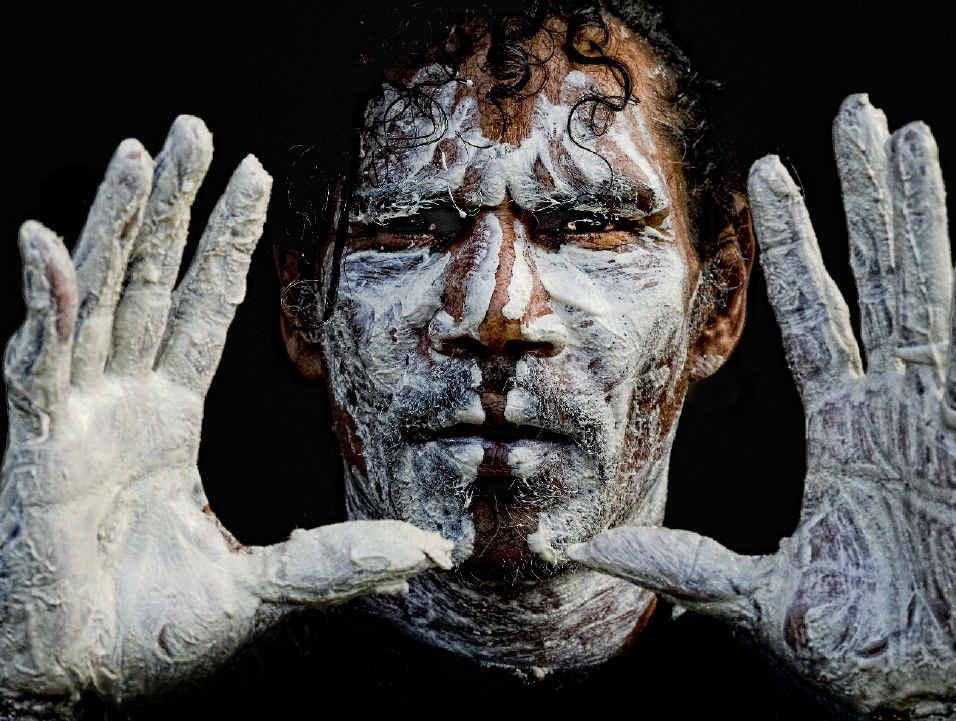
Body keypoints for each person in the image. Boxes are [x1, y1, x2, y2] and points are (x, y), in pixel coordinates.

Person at [1, 2, 953, 719]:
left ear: (719, 304)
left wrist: (926, 702)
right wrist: (46, 698)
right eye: (411, 228)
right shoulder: (152, 686)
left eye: (588, 227)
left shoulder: (857, 683)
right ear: (300, 304)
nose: (498, 314)